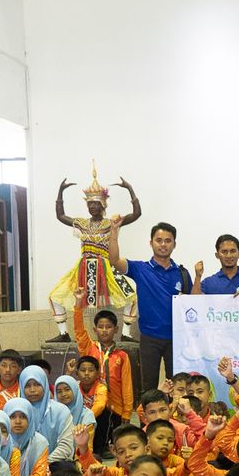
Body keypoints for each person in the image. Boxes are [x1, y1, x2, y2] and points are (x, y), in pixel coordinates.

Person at [50, 166, 141, 342]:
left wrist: (130, 189)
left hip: (106, 269)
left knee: (132, 296)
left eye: (96, 203)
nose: (92, 206)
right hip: (82, 268)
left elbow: (136, 214)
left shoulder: (111, 223)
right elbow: (60, 215)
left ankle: (126, 333)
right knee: (54, 296)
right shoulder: (82, 223)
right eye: (89, 203)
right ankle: (63, 333)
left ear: (103, 204)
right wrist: (60, 192)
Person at [110, 218, 189, 390]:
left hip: (177, 339)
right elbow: (114, 260)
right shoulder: (140, 268)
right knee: (149, 387)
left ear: (174, 244)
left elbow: (193, 303)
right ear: (151, 243)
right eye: (159, 240)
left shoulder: (182, 273)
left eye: (168, 240)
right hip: (149, 337)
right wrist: (114, 232)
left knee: (177, 387)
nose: (163, 244)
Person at [72, 308, 133, 450]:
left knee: (113, 441)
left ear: (116, 329)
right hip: (91, 404)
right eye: (100, 327)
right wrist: (78, 306)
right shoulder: (89, 348)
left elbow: (127, 385)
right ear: (95, 329)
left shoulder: (122, 356)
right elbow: (79, 330)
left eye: (109, 327)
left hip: (115, 407)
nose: (104, 330)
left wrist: (127, 412)